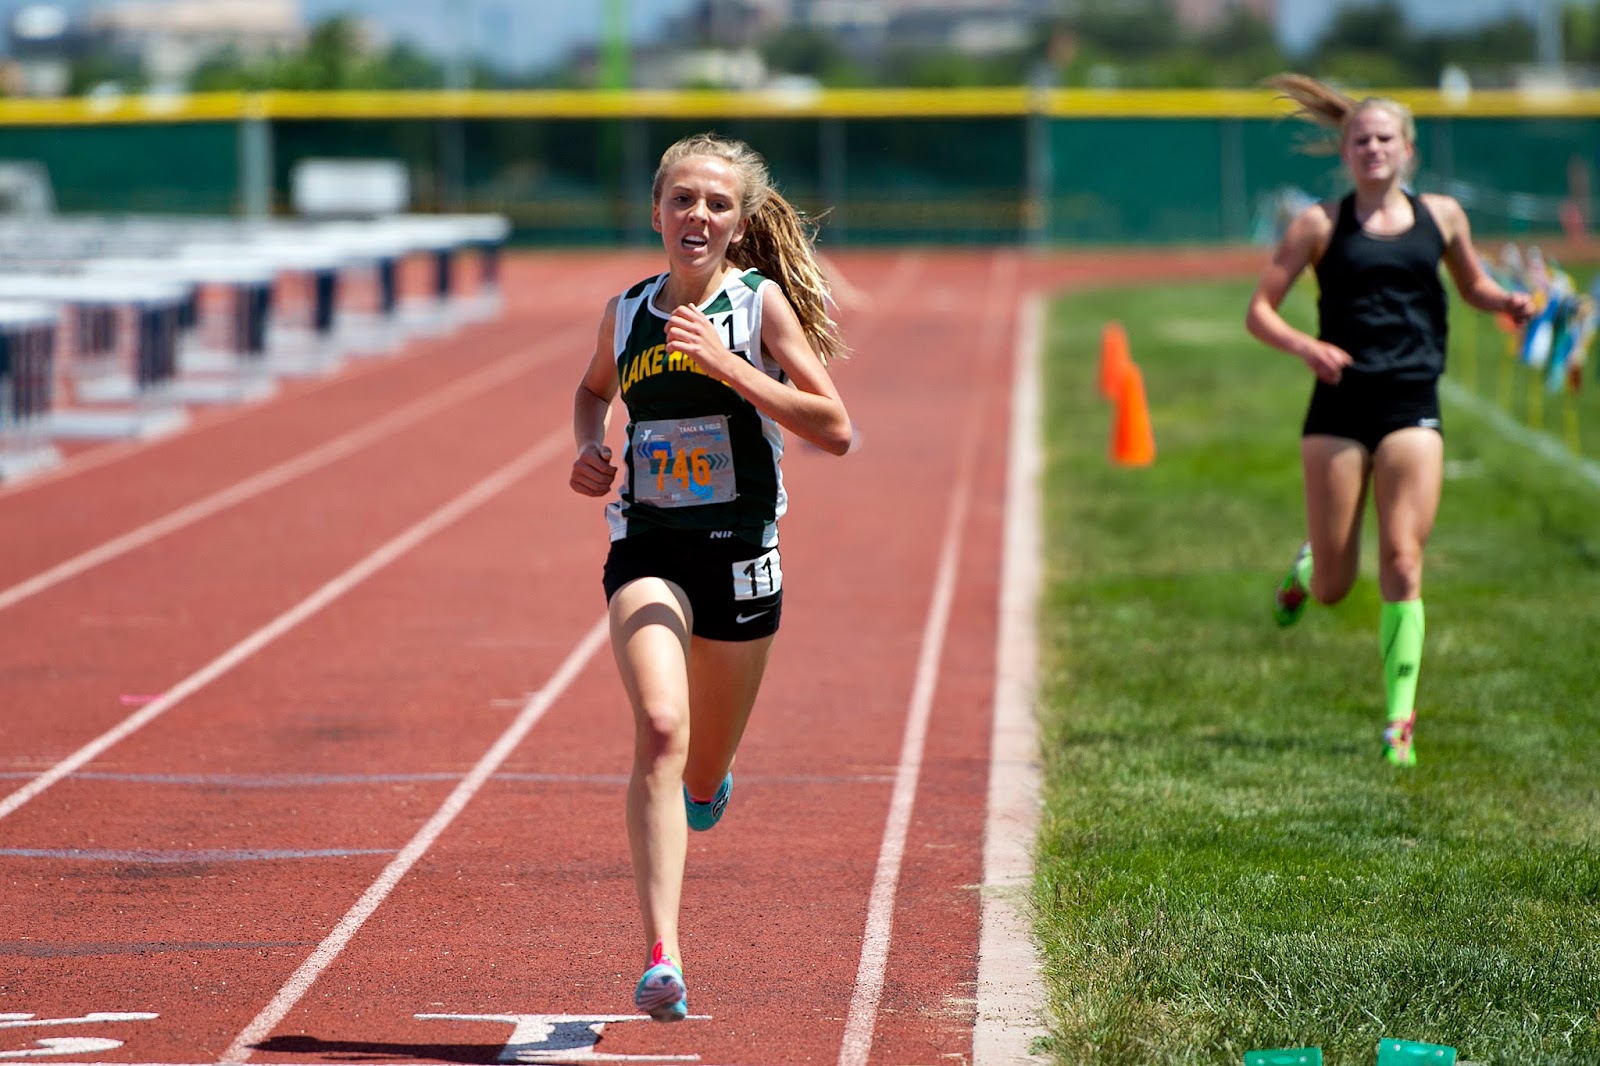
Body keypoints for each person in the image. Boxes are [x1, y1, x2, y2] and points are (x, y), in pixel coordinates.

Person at [568, 132, 854, 1020]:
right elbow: (591, 391)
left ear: (739, 222)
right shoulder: (625, 313)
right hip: (648, 548)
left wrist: (730, 368)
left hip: (739, 556)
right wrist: (589, 446)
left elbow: (835, 427)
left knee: (701, 770)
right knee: (659, 725)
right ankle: (663, 956)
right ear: (656, 213)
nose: (698, 215)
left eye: (716, 203)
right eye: (683, 200)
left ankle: (707, 785)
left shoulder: (760, 307)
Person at [1244, 74, 1532, 768]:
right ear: (1346, 152)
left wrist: (1507, 301)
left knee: (1403, 557)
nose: (1372, 149)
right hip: (1338, 406)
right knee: (1338, 585)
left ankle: (1398, 723)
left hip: (1411, 402)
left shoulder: (1444, 217)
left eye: (1384, 139)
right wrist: (1305, 346)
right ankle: (1312, 564)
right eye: (1360, 140)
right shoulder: (1318, 224)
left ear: (1407, 150)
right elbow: (1259, 311)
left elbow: (1471, 285)